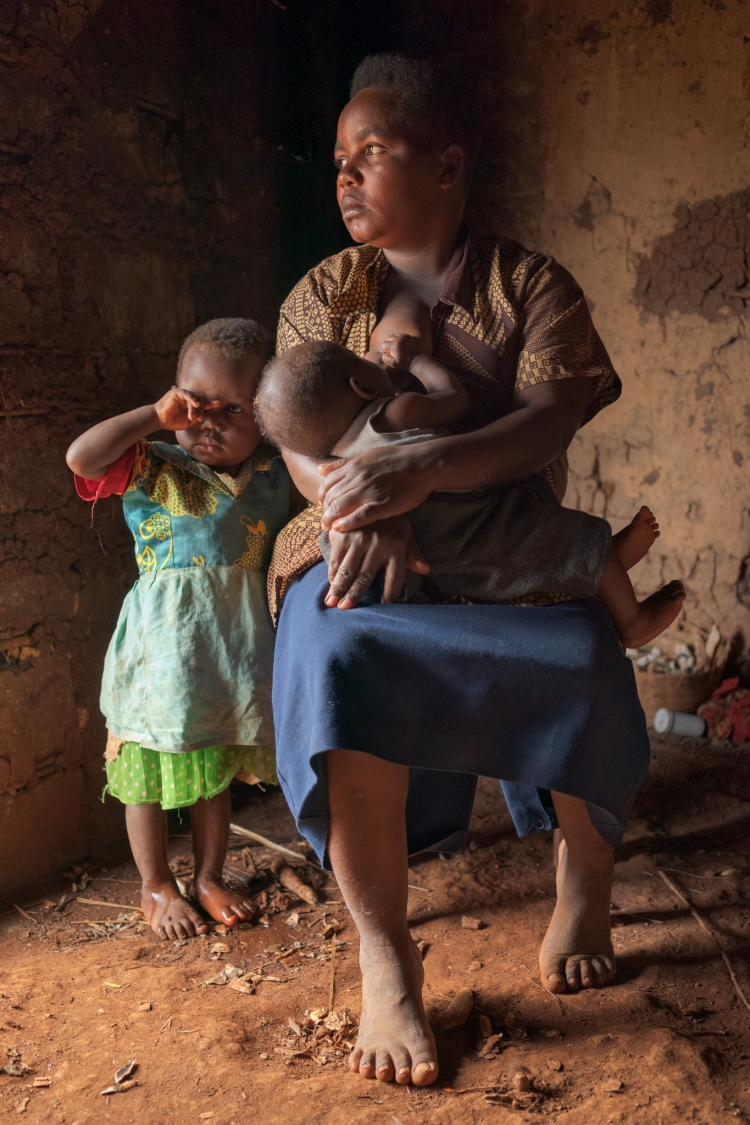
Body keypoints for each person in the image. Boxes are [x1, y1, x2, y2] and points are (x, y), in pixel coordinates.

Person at [268, 54, 656, 1087]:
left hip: (504, 542)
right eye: (339, 161)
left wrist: (428, 470)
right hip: (346, 533)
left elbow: (546, 422)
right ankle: (386, 947)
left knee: (580, 653)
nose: (345, 177)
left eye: (373, 155)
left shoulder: (532, 287)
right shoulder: (321, 294)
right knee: (340, 652)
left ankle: (588, 864)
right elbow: (297, 439)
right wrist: (365, 502)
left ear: (448, 164)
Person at [66, 319, 289, 940]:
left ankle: (209, 876)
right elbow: (80, 458)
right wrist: (152, 417)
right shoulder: (150, 462)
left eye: (231, 409)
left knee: (212, 768)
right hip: (162, 649)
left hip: (234, 649)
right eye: (193, 404)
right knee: (146, 768)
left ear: (267, 415)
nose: (206, 421)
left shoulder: (276, 473)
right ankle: (156, 885)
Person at [257, 325, 684, 647]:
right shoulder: (393, 413)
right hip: (476, 529)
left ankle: (606, 564)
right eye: (365, 360)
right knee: (572, 537)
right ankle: (632, 620)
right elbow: (452, 397)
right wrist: (414, 360)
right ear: (362, 385)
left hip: (426, 562)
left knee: (553, 544)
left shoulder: (339, 465)